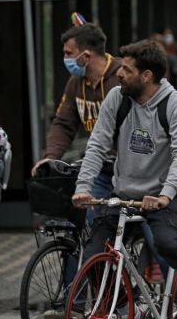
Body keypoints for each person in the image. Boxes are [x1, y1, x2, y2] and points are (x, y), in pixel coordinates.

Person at [71, 39, 177, 319]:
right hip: (123, 194)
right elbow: (96, 145)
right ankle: (130, 306)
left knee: (167, 243)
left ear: (146, 76)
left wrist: (165, 195)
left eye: (127, 69)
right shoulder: (117, 99)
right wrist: (83, 187)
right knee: (93, 256)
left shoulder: (176, 105)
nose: (119, 73)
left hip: (163, 195)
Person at [33, 25, 123, 204]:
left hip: (132, 169)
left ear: (87, 56)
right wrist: (51, 158)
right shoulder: (76, 83)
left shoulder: (123, 76)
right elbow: (64, 123)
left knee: (145, 223)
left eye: (68, 53)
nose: (65, 59)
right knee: (89, 214)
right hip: (99, 167)